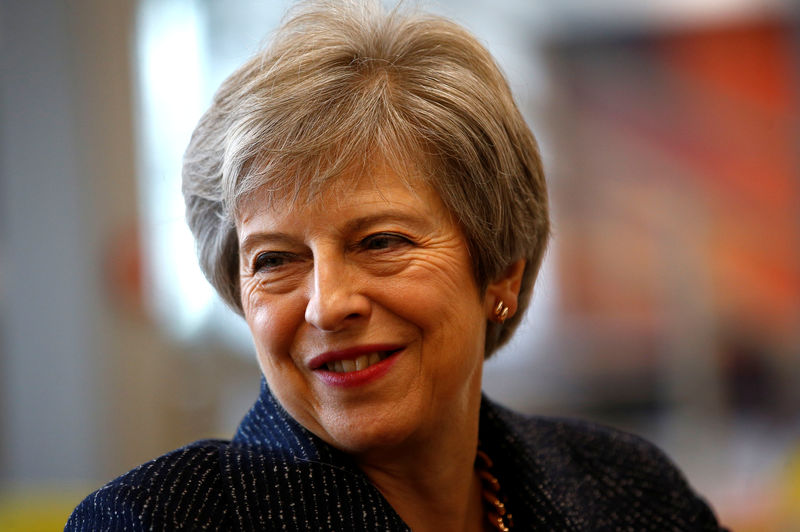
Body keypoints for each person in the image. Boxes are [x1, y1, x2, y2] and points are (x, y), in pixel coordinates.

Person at [67, 1, 726, 530]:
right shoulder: (153, 520)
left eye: (379, 242)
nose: (327, 304)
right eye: (276, 259)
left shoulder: (631, 493)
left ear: (501, 271)